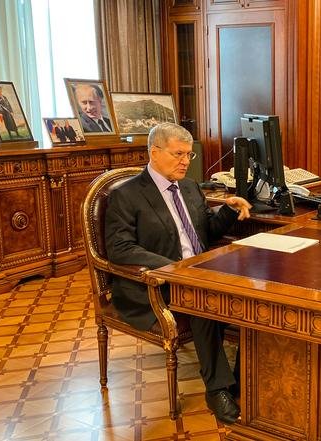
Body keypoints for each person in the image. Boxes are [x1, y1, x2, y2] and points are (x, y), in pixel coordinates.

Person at [104, 122, 252, 424]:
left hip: (197, 273)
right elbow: (120, 248)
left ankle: (242, 377)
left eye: (188, 155)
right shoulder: (126, 195)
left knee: (249, 291)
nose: (185, 161)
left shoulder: (189, 187)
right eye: (178, 154)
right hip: (153, 285)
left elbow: (206, 232)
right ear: (154, 152)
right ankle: (218, 389)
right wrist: (173, 268)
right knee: (202, 301)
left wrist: (228, 210)